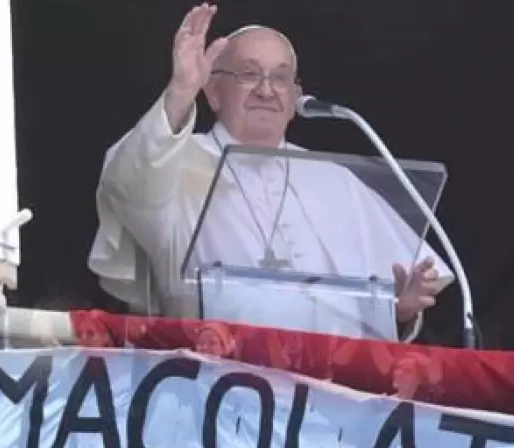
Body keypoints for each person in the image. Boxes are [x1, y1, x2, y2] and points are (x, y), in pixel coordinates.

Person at [88, 3, 452, 341]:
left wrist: (396, 310)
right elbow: (127, 185)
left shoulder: (335, 180)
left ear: (294, 100)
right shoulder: (175, 161)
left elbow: (386, 304)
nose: (266, 90)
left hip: (332, 395)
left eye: (280, 79)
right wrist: (181, 90)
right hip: (213, 386)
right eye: (249, 74)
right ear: (213, 91)